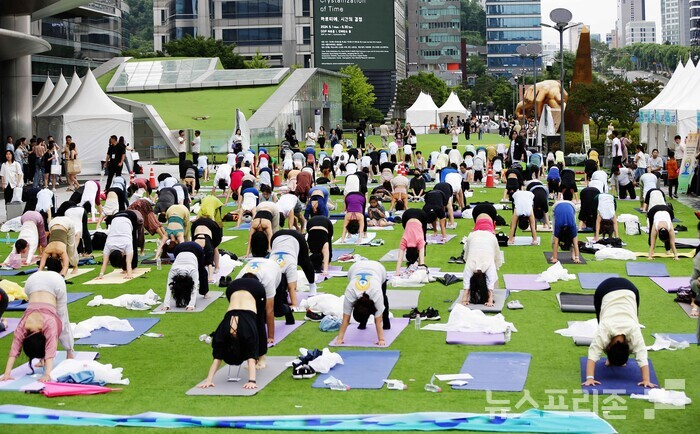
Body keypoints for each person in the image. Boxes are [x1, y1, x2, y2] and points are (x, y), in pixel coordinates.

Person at [0, 271, 74, 383]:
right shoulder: (24, 323)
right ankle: (69, 352)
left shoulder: (48, 323)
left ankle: (70, 353)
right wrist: (6, 374)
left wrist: (47, 374)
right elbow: (15, 349)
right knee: (62, 321)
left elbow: (50, 350)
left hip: (49, 282)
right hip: (33, 281)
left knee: (63, 319)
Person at [583, 278, 655, 389]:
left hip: (630, 290)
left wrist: (590, 378)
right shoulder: (605, 328)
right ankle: (611, 359)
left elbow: (642, 354)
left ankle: (612, 359)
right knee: (601, 320)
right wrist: (589, 378)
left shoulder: (633, 329)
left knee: (632, 314)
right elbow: (594, 352)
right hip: (605, 289)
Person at [198, 278, 268, 389]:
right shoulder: (223, 332)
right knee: (260, 323)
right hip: (240, 286)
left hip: (240, 287)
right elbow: (250, 357)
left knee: (259, 322)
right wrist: (251, 381)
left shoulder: (234, 334)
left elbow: (218, 358)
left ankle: (262, 358)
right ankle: (263, 358)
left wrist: (209, 380)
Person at [336, 260, 390, 346]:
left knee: (383, 297)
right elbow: (345, 319)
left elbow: (378, 320)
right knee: (371, 307)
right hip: (355, 268)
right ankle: (363, 323)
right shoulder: (350, 293)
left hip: (378, 269)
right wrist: (339, 338)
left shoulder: (376, 293)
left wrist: (381, 339)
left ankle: (387, 323)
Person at [269, 229, 317, 305]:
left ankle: (312, 285)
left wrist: (294, 305)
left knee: (305, 262)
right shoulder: (270, 267)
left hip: (296, 237)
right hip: (276, 236)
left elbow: (292, 288)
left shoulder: (290, 266)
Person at [462, 228, 502, 307]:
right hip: (477, 237)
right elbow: (491, 283)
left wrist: (464, 300)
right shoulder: (472, 265)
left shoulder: (470, 265)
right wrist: (490, 300)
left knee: (493, 264)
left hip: (485, 237)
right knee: (494, 267)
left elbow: (466, 287)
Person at [96, 210, 141, 280]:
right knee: (131, 246)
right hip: (115, 216)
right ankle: (126, 269)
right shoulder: (108, 245)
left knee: (134, 242)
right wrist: (100, 275)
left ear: (122, 255)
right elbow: (105, 262)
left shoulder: (126, 244)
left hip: (130, 216)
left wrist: (129, 274)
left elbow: (128, 262)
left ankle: (134, 267)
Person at [161, 242, 204, 311]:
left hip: (196, 248)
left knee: (202, 270)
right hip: (179, 248)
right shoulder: (173, 270)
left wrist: (191, 305)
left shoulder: (193, 270)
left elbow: (195, 286)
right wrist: (166, 305)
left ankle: (205, 292)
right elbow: (169, 287)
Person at [551, 192, 581, 264]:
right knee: (554, 236)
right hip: (556, 207)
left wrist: (555, 258)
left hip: (569, 206)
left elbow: (575, 243)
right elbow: (575, 243)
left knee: (555, 237)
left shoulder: (572, 226)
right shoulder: (564, 226)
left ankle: (573, 255)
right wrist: (577, 258)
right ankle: (573, 255)